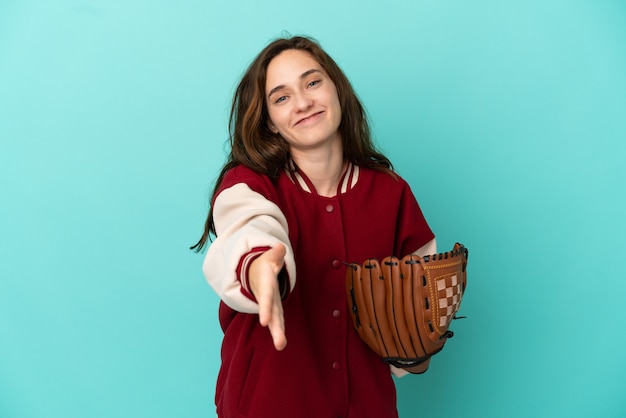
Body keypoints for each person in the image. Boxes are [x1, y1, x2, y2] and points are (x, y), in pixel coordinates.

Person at [192, 35, 437, 418]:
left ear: (337, 89)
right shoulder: (248, 185)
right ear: (269, 122)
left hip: (366, 408)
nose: (303, 102)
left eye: (312, 82)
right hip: (265, 406)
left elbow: (421, 302)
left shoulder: (391, 192)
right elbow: (248, 231)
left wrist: (417, 344)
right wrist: (260, 270)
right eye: (282, 97)